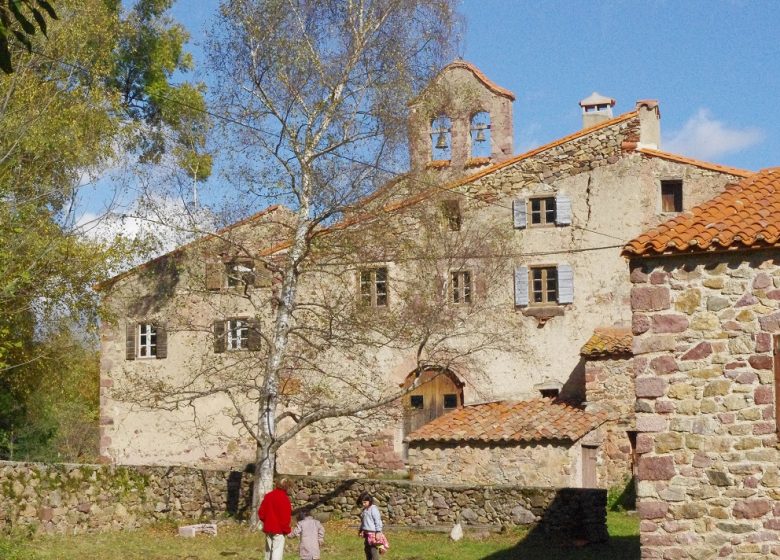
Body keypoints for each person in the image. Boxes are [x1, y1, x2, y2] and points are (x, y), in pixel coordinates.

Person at [258, 478, 292, 560]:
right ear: (287, 487)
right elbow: (285, 518)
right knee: (277, 552)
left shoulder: (268, 496)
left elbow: (261, 513)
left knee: (268, 551)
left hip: (268, 528)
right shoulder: (285, 499)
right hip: (279, 530)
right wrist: (286, 530)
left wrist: (266, 522)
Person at [358, 492, 386, 560]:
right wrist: (361, 530)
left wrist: (378, 532)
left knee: (373, 550)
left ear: (369, 501)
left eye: (365, 502)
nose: (363, 504)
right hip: (367, 534)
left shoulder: (373, 509)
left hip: (373, 533)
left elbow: (378, 521)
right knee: (367, 549)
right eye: (362, 503)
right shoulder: (364, 510)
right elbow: (363, 522)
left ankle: (381, 548)